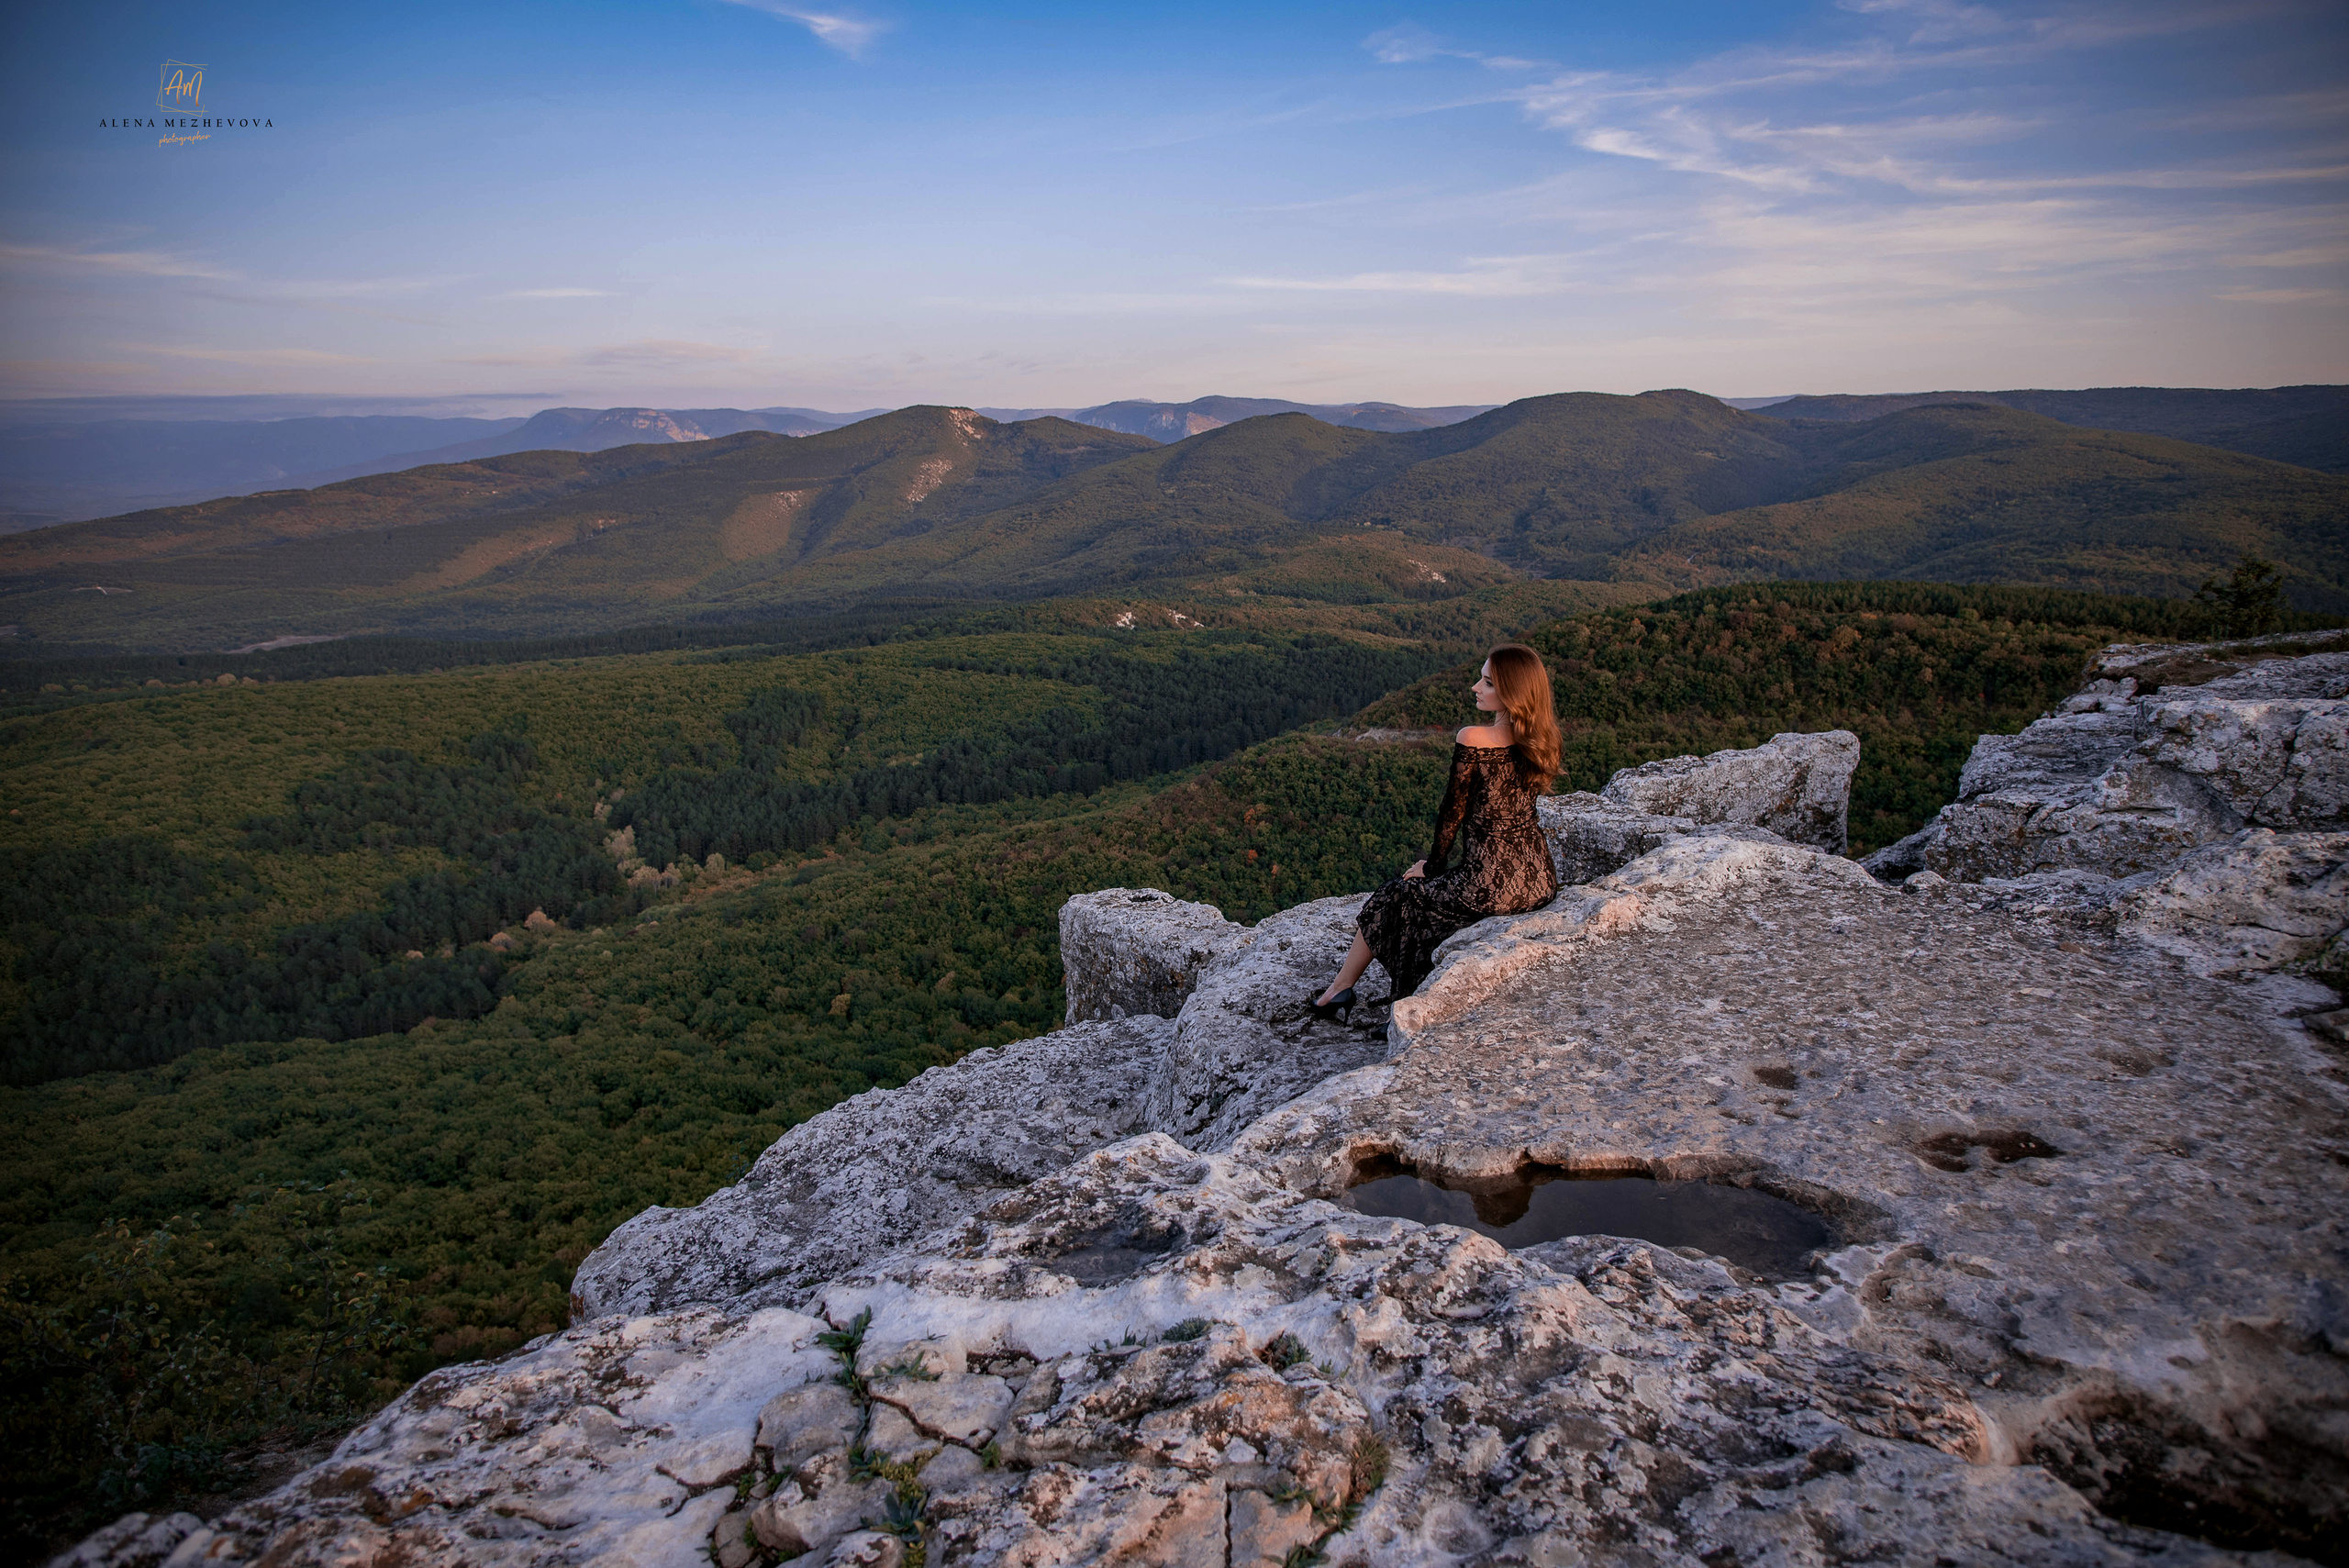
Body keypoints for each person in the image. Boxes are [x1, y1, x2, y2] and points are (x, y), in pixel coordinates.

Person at [1310, 643, 1562, 1021]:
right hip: (1539, 880)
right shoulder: (1540, 740)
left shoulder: (1473, 739)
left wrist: (1433, 865)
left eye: (1488, 683)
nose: (1476, 687)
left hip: (1490, 885)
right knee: (1426, 903)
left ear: (1512, 693)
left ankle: (1339, 991)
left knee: (1398, 895)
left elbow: (1451, 814)